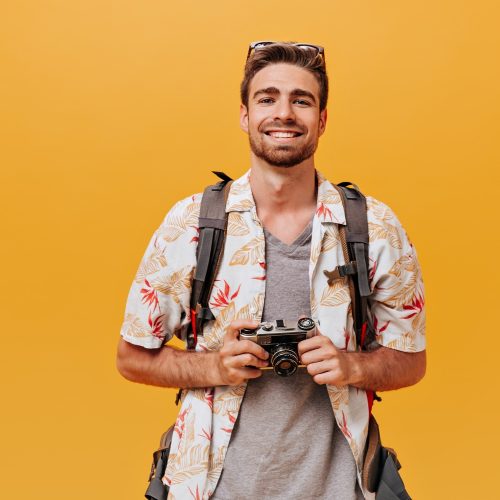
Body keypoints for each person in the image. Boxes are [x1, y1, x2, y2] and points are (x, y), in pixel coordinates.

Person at [116, 41, 426, 500]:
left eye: (301, 100)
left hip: (340, 487)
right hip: (209, 486)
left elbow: (411, 362)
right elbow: (131, 357)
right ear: (245, 114)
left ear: (321, 119)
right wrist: (215, 365)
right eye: (267, 98)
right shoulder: (192, 225)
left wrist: (348, 364)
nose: (284, 113)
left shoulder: (374, 228)